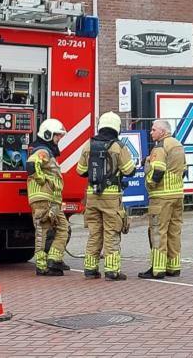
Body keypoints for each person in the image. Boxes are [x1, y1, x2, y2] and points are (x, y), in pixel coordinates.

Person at [76, 112, 137, 281]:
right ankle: (112, 271)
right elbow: (129, 170)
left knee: (95, 233)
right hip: (111, 197)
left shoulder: (89, 145)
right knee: (112, 233)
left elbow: (80, 171)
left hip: (92, 196)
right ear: (116, 127)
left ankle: (90, 269)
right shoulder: (118, 146)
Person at [140, 119, 187, 279]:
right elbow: (184, 170)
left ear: (162, 131)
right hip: (177, 195)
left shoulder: (160, 147)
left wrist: (150, 184)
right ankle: (173, 267)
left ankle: (157, 269)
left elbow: (158, 170)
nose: (151, 132)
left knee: (158, 231)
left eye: (153, 130)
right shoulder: (178, 145)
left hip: (161, 197)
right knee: (174, 231)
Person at [27, 118, 70, 276]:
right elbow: (31, 164)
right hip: (43, 200)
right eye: (57, 135)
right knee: (42, 232)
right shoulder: (42, 151)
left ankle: (53, 260)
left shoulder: (48, 152)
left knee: (63, 228)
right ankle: (42, 266)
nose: (59, 139)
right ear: (47, 135)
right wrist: (42, 180)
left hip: (52, 201)